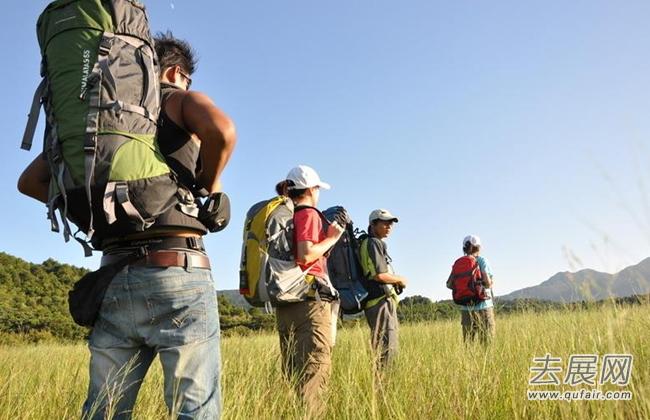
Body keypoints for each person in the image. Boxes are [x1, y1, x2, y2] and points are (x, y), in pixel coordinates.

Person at [18, 32, 236, 419]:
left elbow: (30, 182)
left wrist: (92, 216)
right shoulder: (175, 98)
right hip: (177, 271)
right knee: (194, 409)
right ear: (173, 71)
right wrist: (212, 187)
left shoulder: (97, 120)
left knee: (104, 409)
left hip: (113, 276)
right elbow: (222, 129)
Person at [274, 165, 344, 416]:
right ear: (312, 189)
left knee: (294, 374)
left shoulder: (285, 215)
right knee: (314, 376)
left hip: (286, 300)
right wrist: (332, 238)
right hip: (310, 302)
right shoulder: (307, 214)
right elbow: (305, 255)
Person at [359, 209, 407, 369]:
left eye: (391, 223)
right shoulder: (374, 243)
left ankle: (379, 385)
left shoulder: (366, 243)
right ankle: (385, 387)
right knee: (388, 349)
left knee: (380, 347)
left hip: (373, 302)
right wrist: (401, 279)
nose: (389, 226)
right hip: (380, 302)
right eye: (384, 222)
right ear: (373, 224)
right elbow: (380, 275)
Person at [447, 235, 495, 344]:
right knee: (487, 344)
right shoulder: (482, 261)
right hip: (484, 306)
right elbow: (487, 283)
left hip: (466, 308)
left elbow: (449, 284)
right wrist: (489, 283)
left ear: (464, 248)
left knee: (469, 345)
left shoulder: (458, 263)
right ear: (478, 247)